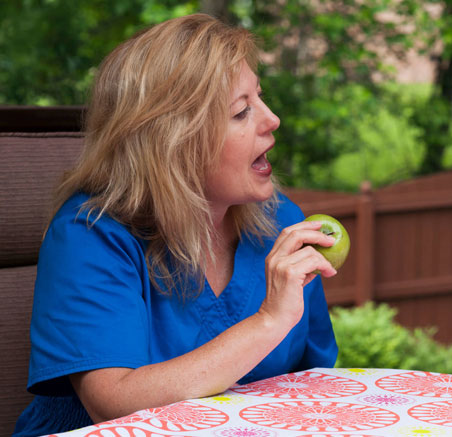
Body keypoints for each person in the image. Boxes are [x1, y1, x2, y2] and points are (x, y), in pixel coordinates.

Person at [15, 14, 339, 436]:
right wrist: (268, 322)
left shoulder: (283, 222)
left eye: (261, 98)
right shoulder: (89, 234)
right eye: (241, 111)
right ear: (172, 142)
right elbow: (112, 403)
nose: (272, 119)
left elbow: (312, 383)